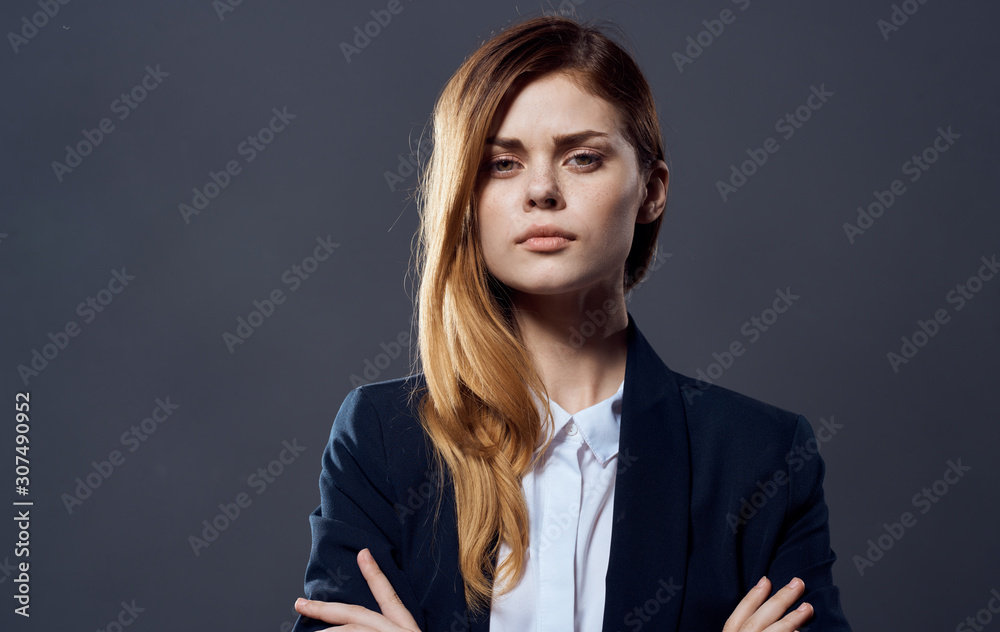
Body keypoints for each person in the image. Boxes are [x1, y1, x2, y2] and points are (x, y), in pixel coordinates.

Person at [291, 14, 851, 632]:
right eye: (500, 163)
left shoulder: (761, 457)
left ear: (651, 190)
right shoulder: (381, 439)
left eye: (582, 158)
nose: (541, 190)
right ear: (464, 197)